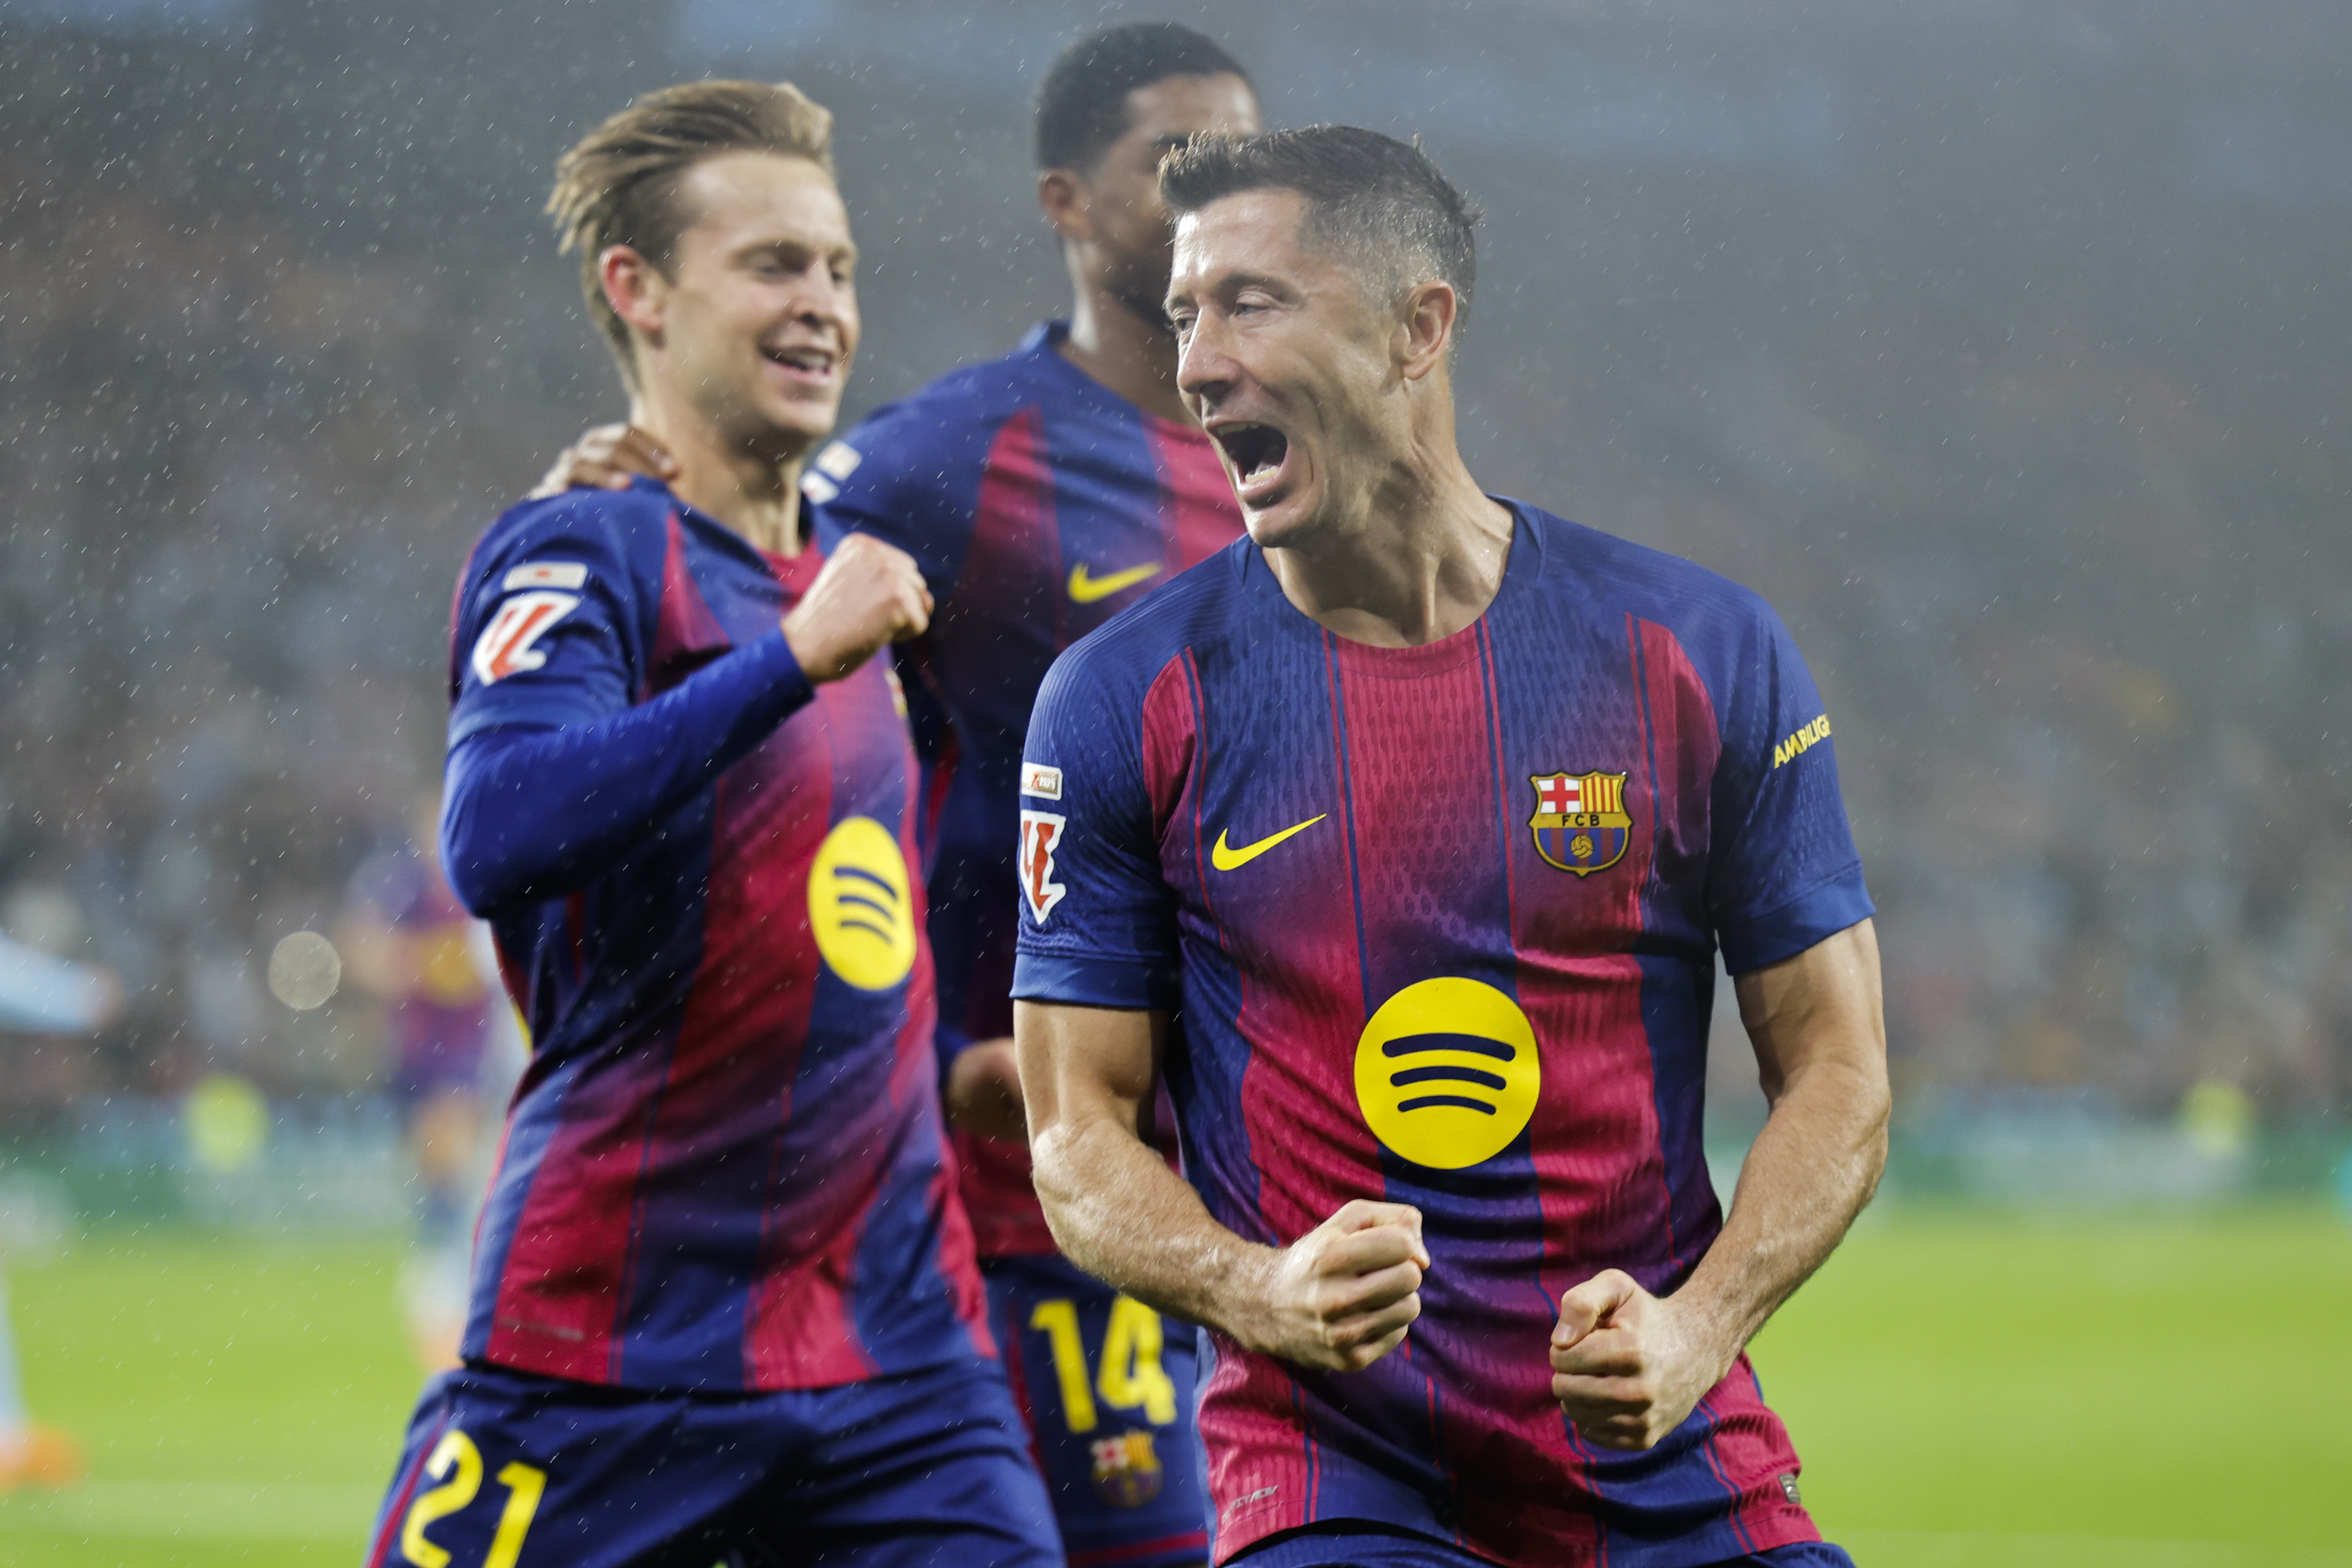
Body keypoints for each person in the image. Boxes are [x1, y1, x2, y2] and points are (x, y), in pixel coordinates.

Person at [1013, 127, 1890, 1568]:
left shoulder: (1697, 652)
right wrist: (1256, 1287)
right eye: (1183, 313)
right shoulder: (1123, 697)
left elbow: (1839, 1067)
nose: (1197, 362)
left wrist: (1698, 1324)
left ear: (1419, 327)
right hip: (1337, 1477)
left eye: (1251, 302)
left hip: (1667, 1458)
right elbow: (1074, 1133)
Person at [541, 26, 1261, 1567]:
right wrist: (620, 501)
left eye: (1244, 161)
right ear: (1068, 203)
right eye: (1175, 163)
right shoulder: (954, 460)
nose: (1220, 196)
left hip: (1276, 1187)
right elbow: (732, 596)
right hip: (1018, 1197)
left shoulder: (1307, 466)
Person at [363, 80, 1057, 1568]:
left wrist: (957, 1064)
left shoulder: (864, 598)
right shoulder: (586, 547)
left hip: (902, 1361)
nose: (822, 304)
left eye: (840, 268)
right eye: (773, 264)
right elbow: (496, 829)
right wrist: (792, 657)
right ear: (640, 291)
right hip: (619, 1344)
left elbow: (829, 919)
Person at [340, 797, 507, 1370]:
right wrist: (431, 965)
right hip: (426, 1057)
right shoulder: (401, 885)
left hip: (483, 1055)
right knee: (449, 1179)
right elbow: (364, 955)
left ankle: (444, 1290)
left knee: (466, 1179)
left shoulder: (495, 880)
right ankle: (439, 1291)